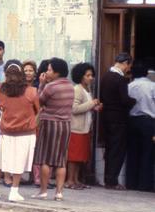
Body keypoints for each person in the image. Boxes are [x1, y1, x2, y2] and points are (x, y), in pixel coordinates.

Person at [0, 63, 39, 202]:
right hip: (26, 131)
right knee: (19, 161)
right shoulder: (31, 91)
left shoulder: (1, 90)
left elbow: (0, 105)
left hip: (6, 129)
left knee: (0, 159)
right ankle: (14, 191)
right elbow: (38, 109)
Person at [32, 58, 74, 201]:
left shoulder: (51, 87)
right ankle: (59, 193)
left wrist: (42, 84)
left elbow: (39, 101)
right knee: (61, 159)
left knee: (45, 159)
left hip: (49, 123)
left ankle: (43, 191)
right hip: (65, 125)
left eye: (49, 70)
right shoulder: (70, 86)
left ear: (57, 72)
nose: (47, 72)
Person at [99, 53, 136, 190]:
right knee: (117, 150)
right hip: (119, 119)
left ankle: (108, 179)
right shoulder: (120, 79)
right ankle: (112, 181)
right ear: (125, 63)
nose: (128, 69)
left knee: (110, 149)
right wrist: (134, 101)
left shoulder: (105, 76)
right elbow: (125, 100)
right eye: (129, 65)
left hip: (106, 117)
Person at [66, 63, 101, 190]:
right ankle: (70, 180)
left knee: (80, 157)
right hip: (76, 128)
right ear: (81, 76)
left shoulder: (87, 89)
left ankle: (76, 180)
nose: (91, 78)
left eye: (92, 75)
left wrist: (94, 107)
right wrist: (92, 103)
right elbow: (74, 109)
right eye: (88, 75)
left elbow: (85, 107)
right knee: (73, 157)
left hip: (84, 128)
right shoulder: (78, 89)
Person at [126, 62, 155, 192]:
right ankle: (144, 184)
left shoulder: (129, 86)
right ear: (146, 73)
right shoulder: (152, 86)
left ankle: (131, 183)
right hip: (148, 122)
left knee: (132, 151)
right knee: (147, 152)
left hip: (132, 121)